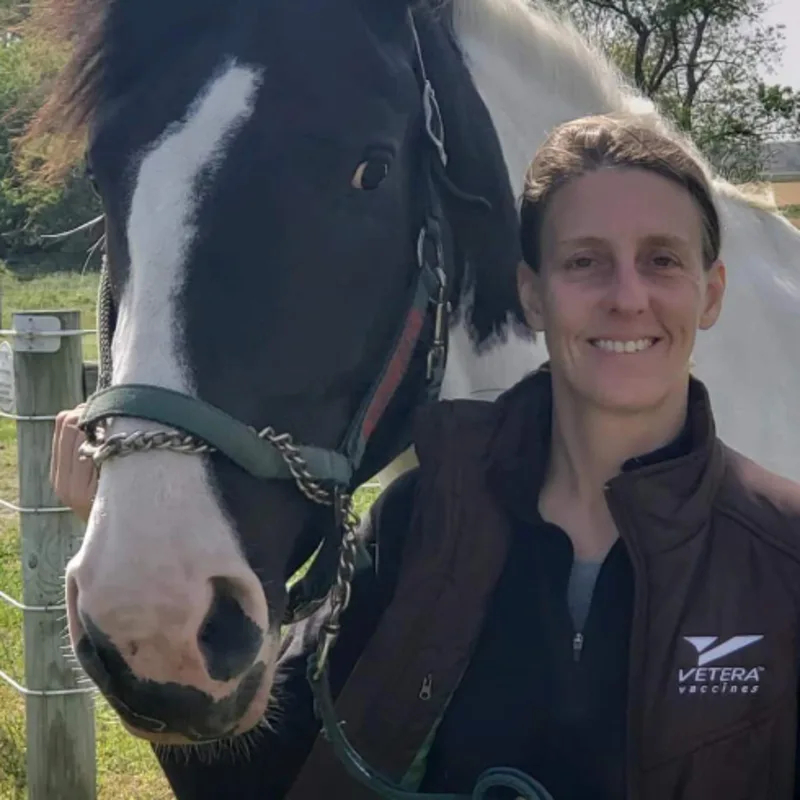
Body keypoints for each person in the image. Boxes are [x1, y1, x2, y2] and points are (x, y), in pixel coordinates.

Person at [52, 114, 800, 799]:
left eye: (662, 261)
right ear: (532, 297)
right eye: (585, 262)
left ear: (710, 294)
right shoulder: (424, 524)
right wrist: (147, 598)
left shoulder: (783, 556)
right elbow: (261, 784)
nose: (627, 297)